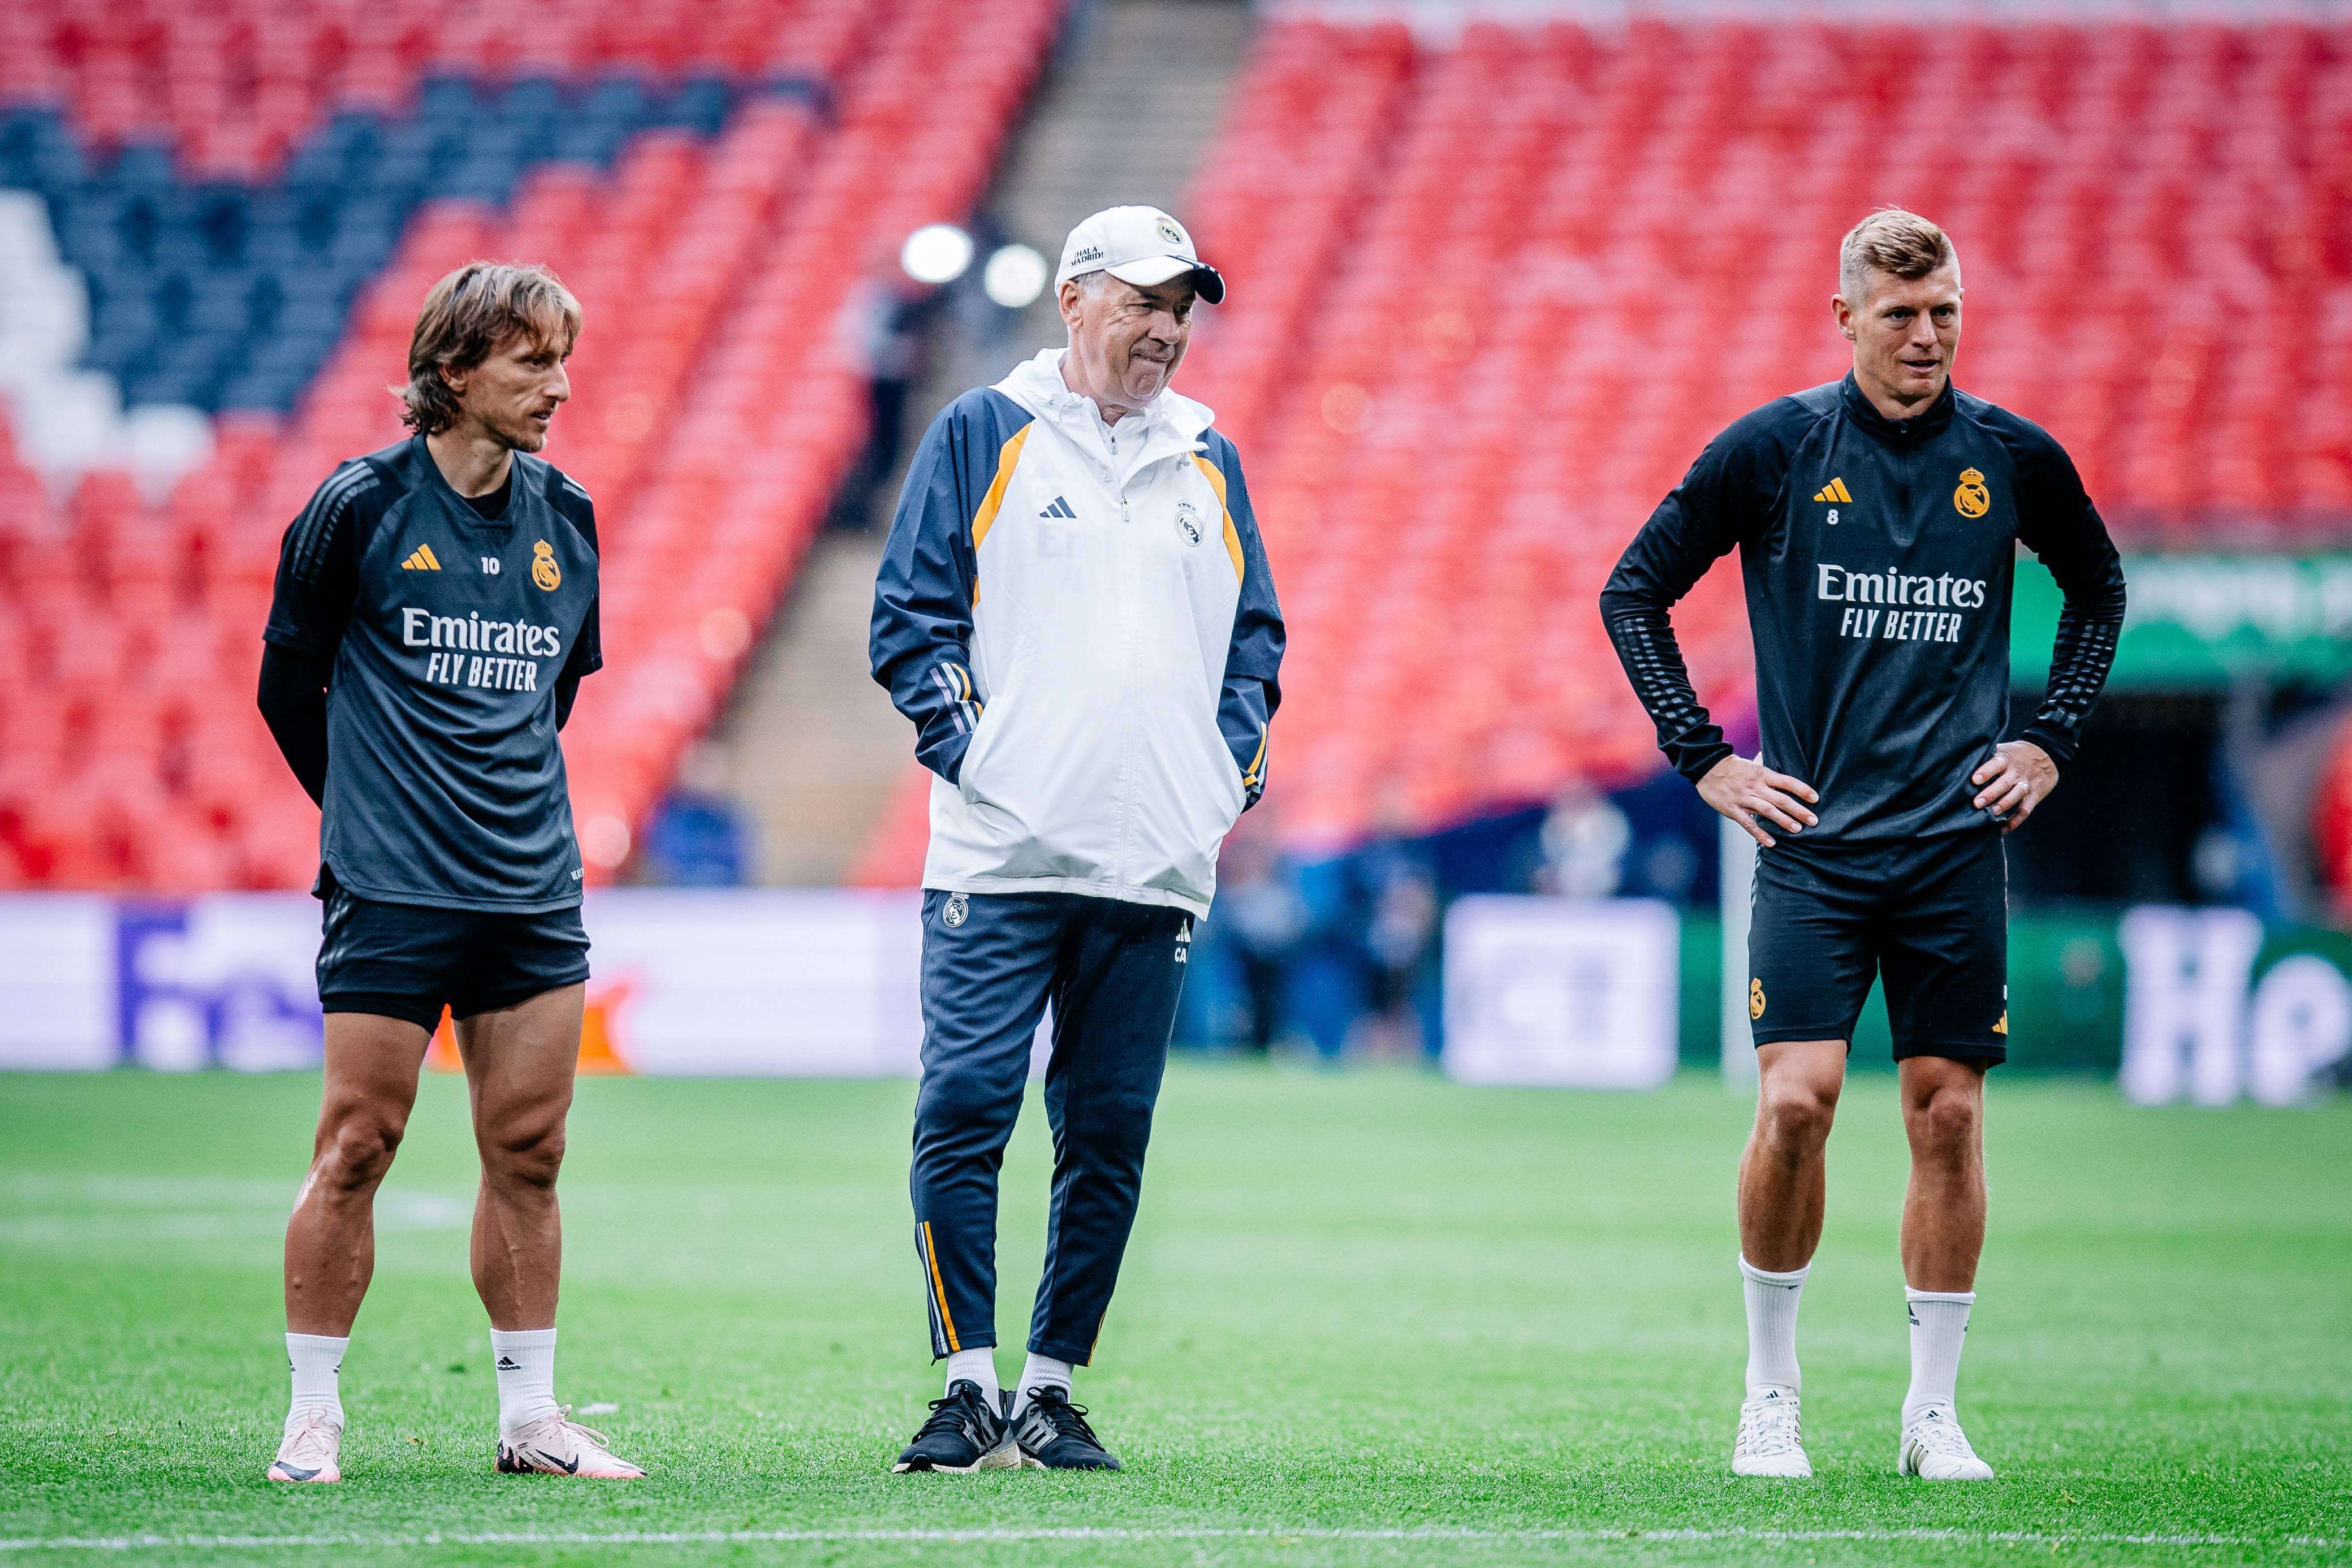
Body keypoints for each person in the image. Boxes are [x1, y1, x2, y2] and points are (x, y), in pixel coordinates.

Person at [1600, 209, 2126, 1482]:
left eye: (1945, 311)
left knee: (1947, 1115)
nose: (1927, 335)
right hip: (1815, 846)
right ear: (1845, 319)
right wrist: (1705, 758)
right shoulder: (1774, 450)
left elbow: (2098, 585)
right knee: (1796, 1102)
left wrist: (2049, 738)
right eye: (1901, 314)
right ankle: (1769, 1394)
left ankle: (1931, 1412)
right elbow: (1634, 589)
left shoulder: (2011, 456)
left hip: (1953, 847)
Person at [869, 205, 1283, 1472]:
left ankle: (1050, 1390)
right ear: (1074, 300)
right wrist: (989, 767)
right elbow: (909, 622)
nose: (1167, 329)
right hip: (998, 860)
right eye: (1144, 301)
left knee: (1109, 1134)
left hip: (1154, 867)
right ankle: (965, 1386)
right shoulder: (982, 430)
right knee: (965, 1106)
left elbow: (1255, 647)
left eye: (1181, 308)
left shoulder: (1210, 456)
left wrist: (1215, 786)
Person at [254, 261, 639, 1484]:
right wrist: (369, 813)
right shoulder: (358, 505)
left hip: (531, 890)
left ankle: (531, 1419)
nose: (559, 386)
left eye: (563, 361)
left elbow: (552, 697)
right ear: (454, 370)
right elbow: (286, 685)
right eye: (534, 362)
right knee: (358, 1143)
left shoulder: (568, 517)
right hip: (391, 888)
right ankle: (312, 1414)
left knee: (531, 1151)